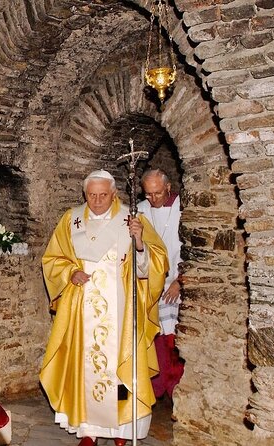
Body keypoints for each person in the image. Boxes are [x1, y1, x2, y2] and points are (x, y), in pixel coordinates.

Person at [40, 169, 168, 446]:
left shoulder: (133, 219)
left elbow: (157, 264)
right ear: (84, 194)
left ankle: (122, 431)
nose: (97, 200)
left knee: (119, 370)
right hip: (82, 307)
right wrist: (70, 273)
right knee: (86, 368)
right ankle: (89, 431)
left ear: (113, 194)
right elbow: (53, 258)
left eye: (103, 195)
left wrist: (140, 242)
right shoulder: (70, 220)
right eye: (91, 195)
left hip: (120, 308)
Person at [137, 168, 185, 401]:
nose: (152, 199)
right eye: (148, 194)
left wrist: (180, 280)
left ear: (167, 187)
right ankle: (156, 388)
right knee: (153, 338)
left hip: (176, 281)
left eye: (157, 193)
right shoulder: (141, 211)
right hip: (150, 284)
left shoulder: (183, 208)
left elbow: (191, 248)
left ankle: (174, 386)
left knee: (172, 339)